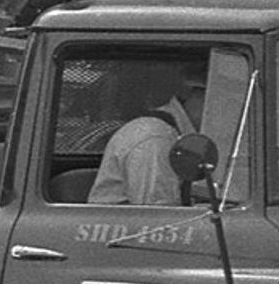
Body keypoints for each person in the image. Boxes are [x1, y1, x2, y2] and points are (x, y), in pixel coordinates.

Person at [86, 77, 202, 207]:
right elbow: (158, 214)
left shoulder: (178, 136)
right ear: (196, 96)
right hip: (121, 225)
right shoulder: (156, 138)